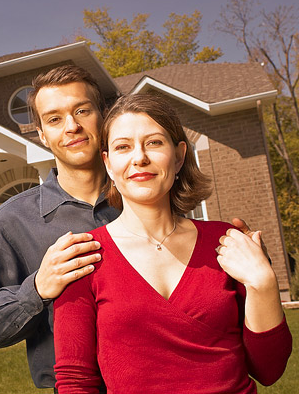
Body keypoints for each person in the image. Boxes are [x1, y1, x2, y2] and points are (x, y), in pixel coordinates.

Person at [53, 94, 292, 393]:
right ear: (109, 163)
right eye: (123, 147)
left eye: (154, 142)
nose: (139, 157)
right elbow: (75, 381)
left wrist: (264, 284)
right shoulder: (83, 258)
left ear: (179, 156)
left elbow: (269, 370)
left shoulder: (228, 244)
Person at [0, 65, 119, 390]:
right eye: (54, 119)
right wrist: (36, 289)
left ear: (103, 115)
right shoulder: (12, 221)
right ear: (40, 133)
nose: (72, 126)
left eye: (82, 110)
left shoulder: (144, 200)